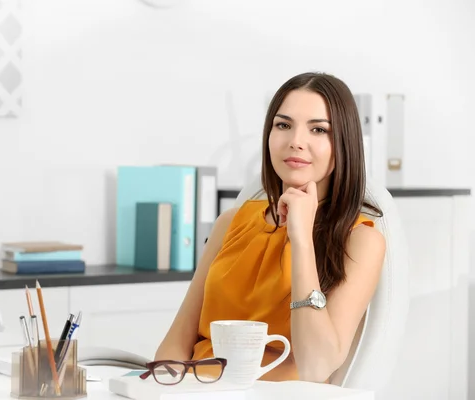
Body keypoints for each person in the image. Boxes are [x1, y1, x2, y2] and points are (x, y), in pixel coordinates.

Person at [154, 72, 386, 383]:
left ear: (344, 143)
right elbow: (176, 343)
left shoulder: (361, 240)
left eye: (318, 129)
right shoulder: (231, 223)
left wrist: (301, 239)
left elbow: (317, 366)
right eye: (283, 125)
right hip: (197, 390)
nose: (295, 142)